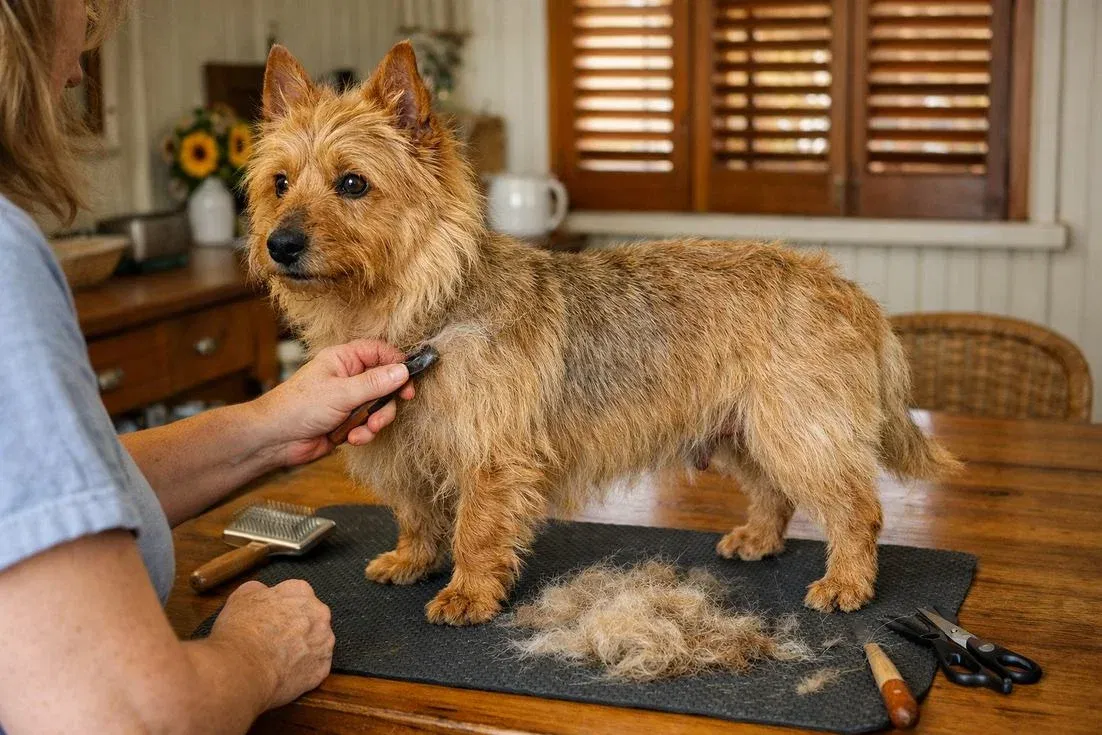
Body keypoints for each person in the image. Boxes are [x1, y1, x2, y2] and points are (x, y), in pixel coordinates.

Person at [0, 1, 414, 732]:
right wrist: (259, 651)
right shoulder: (5, 262)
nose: (89, 24)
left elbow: (43, 493)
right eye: (76, 1)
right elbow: (121, 715)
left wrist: (272, 424)